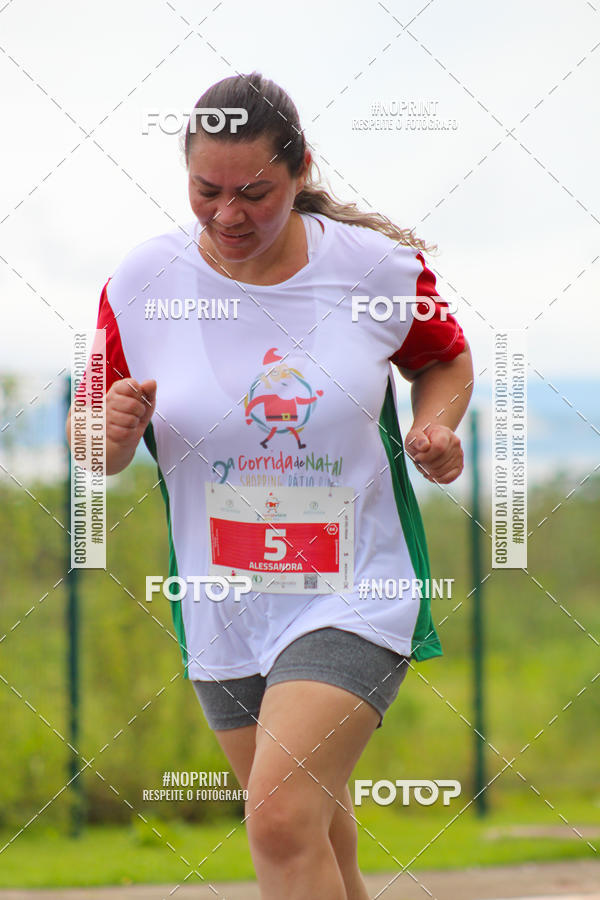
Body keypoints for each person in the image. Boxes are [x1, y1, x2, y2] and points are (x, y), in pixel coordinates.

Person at [67, 71, 473, 899]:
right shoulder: (143, 283)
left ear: (299, 173)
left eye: (254, 192)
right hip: (222, 598)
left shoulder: (372, 269)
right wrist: (101, 431)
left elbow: (445, 358)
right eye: (205, 191)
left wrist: (438, 427)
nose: (227, 214)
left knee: (279, 818)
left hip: (353, 585)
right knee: (319, 835)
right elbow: (91, 439)